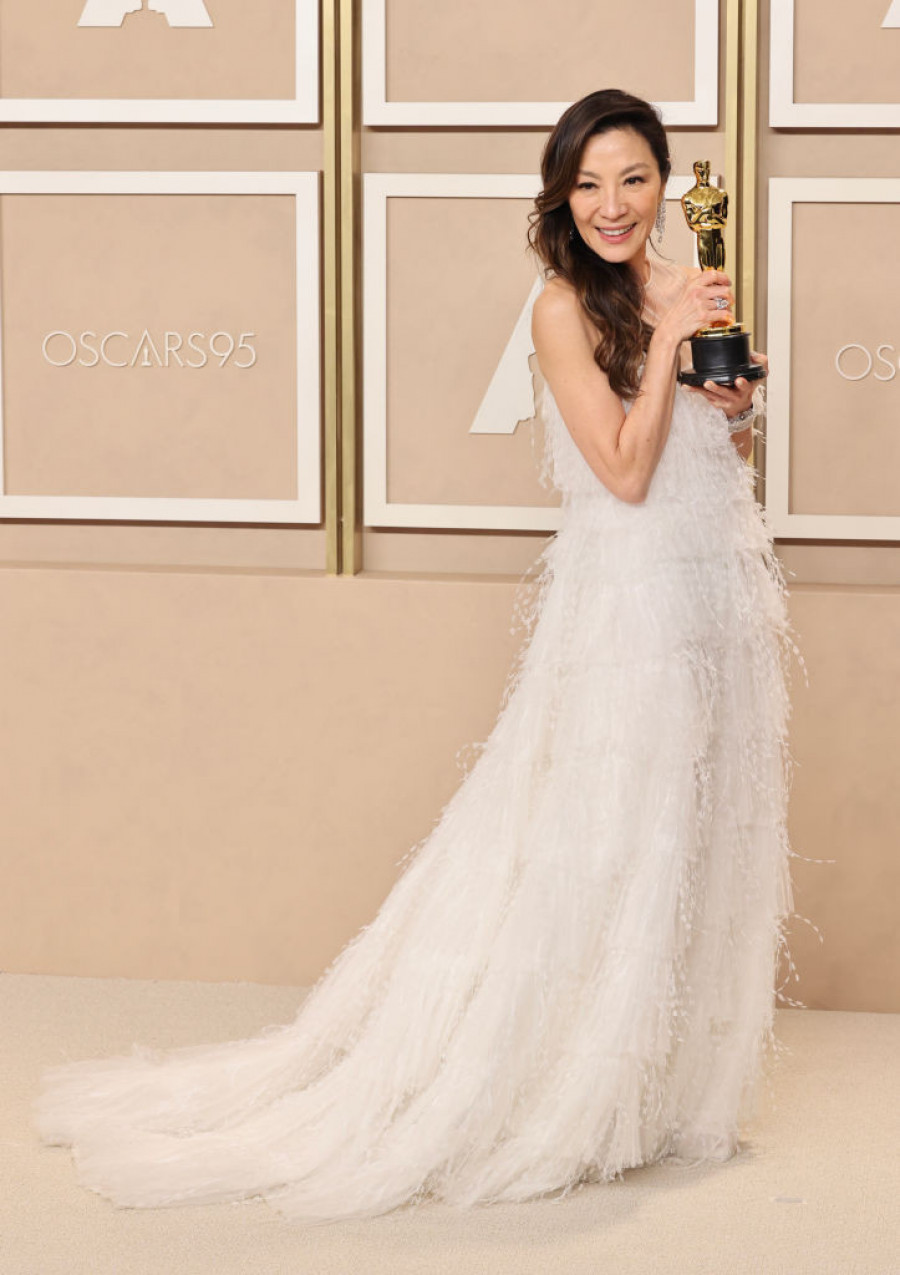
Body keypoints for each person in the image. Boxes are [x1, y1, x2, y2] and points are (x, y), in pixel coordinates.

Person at [34, 89, 805, 1224]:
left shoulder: (682, 284)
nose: (612, 204)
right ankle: (558, 1088)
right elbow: (623, 471)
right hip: (629, 611)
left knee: (686, 835)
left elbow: (705, 454)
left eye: (634, 178)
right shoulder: (560, 308)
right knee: (605, 838)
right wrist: (673, 344)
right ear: (562, 197)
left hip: (710, 595)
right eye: (588, 184)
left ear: (664, 182)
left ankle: (644, 1092)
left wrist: (730, 403)